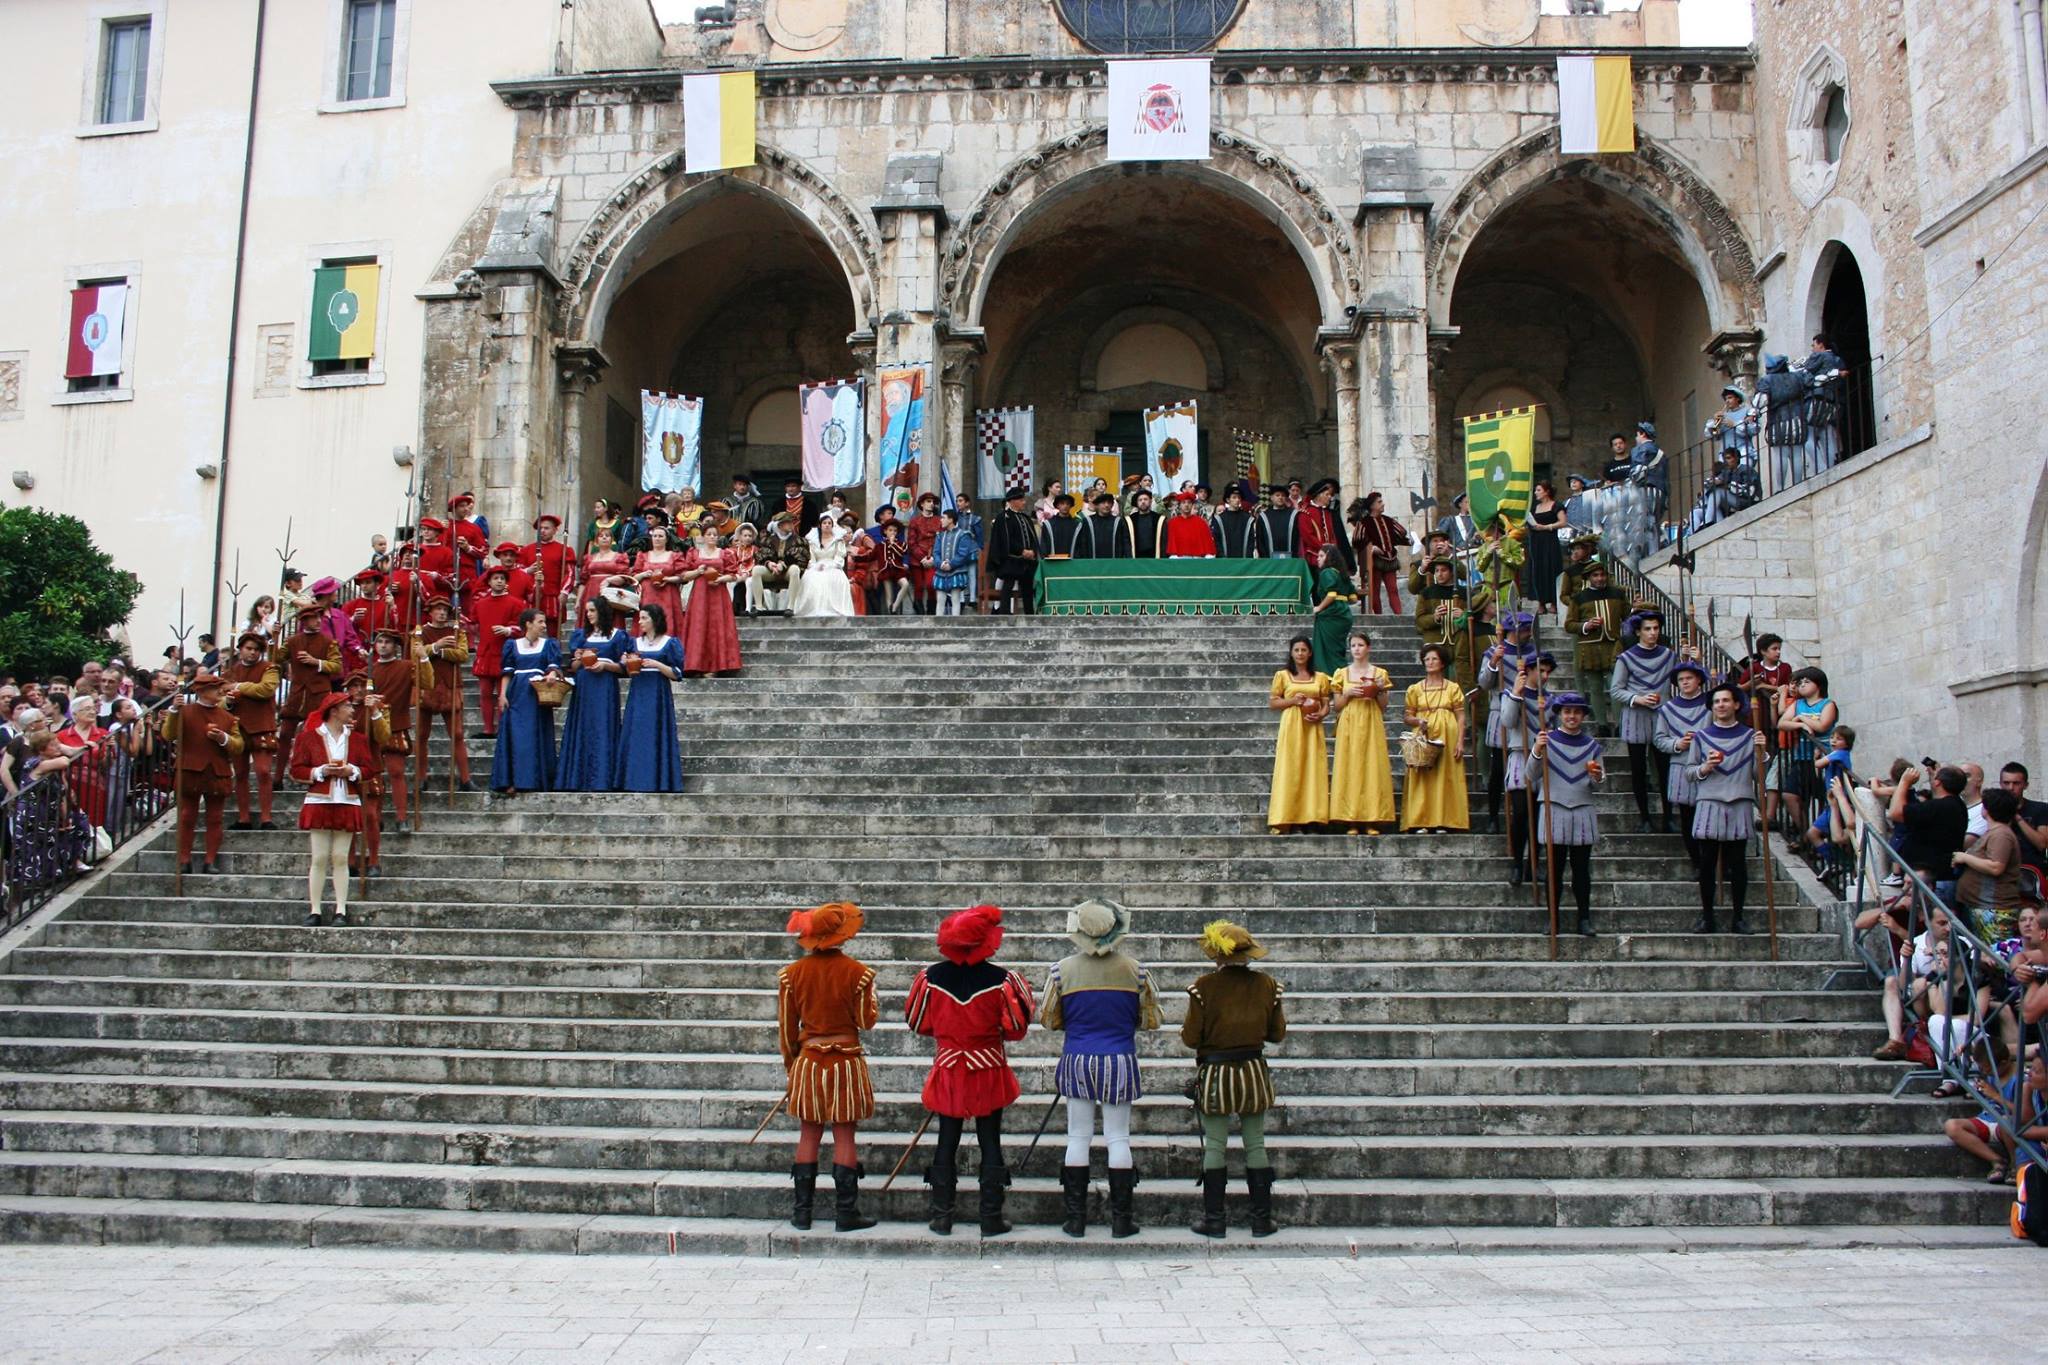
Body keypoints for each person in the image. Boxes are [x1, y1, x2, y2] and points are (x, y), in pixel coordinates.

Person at [904, 904, 1035, 1238]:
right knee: (990, 1138)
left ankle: (941, 1217)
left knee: (947, 1137)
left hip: (949, 1066)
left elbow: (918, 1023)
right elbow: (1018, 1028)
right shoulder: (1004, 980)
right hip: (988, 1065)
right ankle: (990, 1217)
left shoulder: (930, 978)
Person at [1042, 898, 1159, 1240]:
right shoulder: (1136, 971)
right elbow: (1151, 1019)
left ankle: (1075, 1220)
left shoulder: (1060, 970)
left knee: (1078, 1136)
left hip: (1078, 1057)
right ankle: (1121, 1221)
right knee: (1118, 1136)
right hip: (1119, 1057)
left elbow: (1049, 1019)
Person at [776, 902, 880, 1232]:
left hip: (808, 1061)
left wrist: (793, 1067)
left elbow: (786, 1030)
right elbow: (867, 1021)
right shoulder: (859, 973)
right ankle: (846, 1213)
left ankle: (802, 1213)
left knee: (809, 1132)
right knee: (844, 1134)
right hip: (846, 1060)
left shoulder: (791, 975)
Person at [1182, 919, 1287, 1239]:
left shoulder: (1203, 987)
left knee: (1215, 1145)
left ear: (1218, 956)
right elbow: (1277, 1033)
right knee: (1255, 1144)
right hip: (1253, 1073)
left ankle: (1215, 1220)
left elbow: (1190, 1038)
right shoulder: (1268, 985)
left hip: (1216, 1075)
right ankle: (1261, 1220)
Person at [1684, 683, 1766, 934]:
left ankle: (1738, 917)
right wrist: (1705, 768)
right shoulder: (1701, 737)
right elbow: (1688, 773)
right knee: (1707, 863)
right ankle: (1707, 916)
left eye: (1726, 701)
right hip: (1709, 801)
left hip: (1739, 801)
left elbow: (1757, 775)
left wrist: (1762, 753)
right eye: (1717, 701)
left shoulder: (1750, 736)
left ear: (1736, 705)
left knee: (1738, 864)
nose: (1721, 705)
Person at [287, 691, 372, 927]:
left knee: (341, 857)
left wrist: (351, 771)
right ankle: (315, 909)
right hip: (319, 800)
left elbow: (369, 769)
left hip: (346, 799)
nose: (353, 710)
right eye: (347, 706)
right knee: (320, 857)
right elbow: (296, 770)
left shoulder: (357, 739)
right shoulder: (309, 738)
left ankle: (340, 908)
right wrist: (321, 771)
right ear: (334, 710)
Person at [1534, 691, 1605, 936]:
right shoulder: (1547, 740)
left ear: (1583, 715)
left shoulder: (1592, 746)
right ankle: (1551, 918)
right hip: (1554, 806)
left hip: (1582, 808)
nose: (1572, 716)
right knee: (1553, 869)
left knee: (1581, 869)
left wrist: (1596, 777)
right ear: (1559, 715)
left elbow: (1598, 783)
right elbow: (1530, 775)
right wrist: (1535, 750)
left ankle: (1584, 918)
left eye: (1576, 712)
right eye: (1567, 712)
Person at [160, 673, 243, 878]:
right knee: (187, 816)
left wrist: (222, 738)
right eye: (215, 689)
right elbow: (168, 734)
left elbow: (239, 746)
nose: (220, 692)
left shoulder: (228, 717)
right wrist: (173, 711)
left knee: (215, 818)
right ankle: (184, 859)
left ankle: (210, 860)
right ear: (202, 691)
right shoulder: (184, 712)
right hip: (190, 769)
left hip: (217, 770)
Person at [1611, 607, 1678, 833]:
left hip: (1661, 717)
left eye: (1656, 628)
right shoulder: (1626, 658)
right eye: (1647, 629)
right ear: (1638, 632)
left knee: (1665, 769)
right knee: (1638, 770)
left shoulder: (1669, 656)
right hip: (1636, 716)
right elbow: (1616, 690)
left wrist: (1692, 660)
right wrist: (1637, 698)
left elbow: (1683, 680)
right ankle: (1644, 818)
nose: (1652, 633)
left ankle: (1669, 817)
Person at [558, 598, 628, 793]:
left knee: (603, 726)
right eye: (587, 611)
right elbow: (572, 667)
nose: (588, 614)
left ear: (602, 612)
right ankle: (578, 778)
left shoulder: (617, 636)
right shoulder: (581, 636)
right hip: (584, 685)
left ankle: (603, 778)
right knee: (583, 726)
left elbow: (624, 667)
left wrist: (605, 665)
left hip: (605, 685)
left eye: (592, 611)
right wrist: (579, 659)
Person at [490, 609, 562, 797]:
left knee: (533, 737)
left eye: (545, 622)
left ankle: (533, 779)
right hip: (517, 694)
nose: (544, 625)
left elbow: (553, 666)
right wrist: (502, 695)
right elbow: (507, 673)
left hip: (537, 695)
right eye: (540, 622)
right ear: (528, 624)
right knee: (516, 738)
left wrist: (552, 674)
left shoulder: (549, 645)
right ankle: (513, 779)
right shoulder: (512, 645)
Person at [1328, 631, 1394, 833]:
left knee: (1372, 767)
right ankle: (1351, 819)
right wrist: (1347, 693)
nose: (1357, 649)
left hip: (1371, 720)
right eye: (1354, 645)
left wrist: (1379, 690)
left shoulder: (1379, 673)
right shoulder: (1342, 673)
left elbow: (1383, 706)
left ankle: (1372, 818)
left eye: (1360, 645)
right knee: (1350, 767)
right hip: (1349, 722)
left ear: (1368, 648)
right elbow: (1337, 706)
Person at [1499, 650, 1555, 887]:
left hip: (1543, 759)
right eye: (1540, 671)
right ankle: (1517, 863)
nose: (1544, 676)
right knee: (1521, 813)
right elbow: (1508, 721)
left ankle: (1535, 862)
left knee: (1540, 815)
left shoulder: (1551, 699)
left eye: (1547, 672)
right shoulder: (1510, 694)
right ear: (1528, 670)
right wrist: (1516, 694)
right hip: (1521, 756)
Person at [1266, 636, 1331, 834]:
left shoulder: (1320, 677)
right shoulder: (1283, 675)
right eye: (1297, 650)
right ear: (1291, 653)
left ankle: (1311, 818)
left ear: (1310, 653)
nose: (1300, 654)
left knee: (1312, 769)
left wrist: (1321, 714)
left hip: (1312, 727)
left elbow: (1326, 704)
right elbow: (1273, 703)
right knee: (1290, 769)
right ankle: (1289, 817)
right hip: (1292, 726)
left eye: (1304, 650)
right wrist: (1293, 701)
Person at [1653, 661, 1713, 873]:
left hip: (1709, 767)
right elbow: (1659, 740)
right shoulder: (1667, 709)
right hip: (1681, 765)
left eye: (1689, 678)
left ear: (1699, 680)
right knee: (1688, 818)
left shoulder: (1711, 704)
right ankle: (1697, 862)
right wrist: (1678, 743)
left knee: (1710, 817)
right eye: (1681, 679)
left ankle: (1713, 862)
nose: (1685, 682)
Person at [1402, 642, 1468, 833]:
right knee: (1423, 776)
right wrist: (1418, 721)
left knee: (1446, 777)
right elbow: (1407, 716)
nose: (1429, 662)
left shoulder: (1452, 688)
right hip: (1423, 735)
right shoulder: (1415, 689)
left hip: (1449, 735)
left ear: (1442, 663)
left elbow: (1461, 716)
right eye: (1427, 659)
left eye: (1434, 659)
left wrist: (1460, 741)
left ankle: (1445, 820)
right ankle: (1422, 820)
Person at [617, 606, 684, 793]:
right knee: (637, 733)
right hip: (639, 692)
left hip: (657, 693)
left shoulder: (669, 643)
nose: (639, 622)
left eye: (644, 618)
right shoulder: (634, 643)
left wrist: (656, 664)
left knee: (656, 732)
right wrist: (625, 661)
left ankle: (657, 780)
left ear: (654, 620)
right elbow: (626, 669)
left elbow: (676, 673)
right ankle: (634, 779)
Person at [416, 596, 476, 793]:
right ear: (430, 612)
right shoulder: (420, 631)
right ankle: (421, 778)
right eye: (438, 609)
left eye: (444, 610)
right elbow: (415, 652)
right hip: (427, 685)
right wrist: (436, 646)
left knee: (457, 734)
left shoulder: (457, 630)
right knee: (422, 734)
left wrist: (440, 652)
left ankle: (465, 779)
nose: (442, 613)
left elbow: (463, 654)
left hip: (451, 684)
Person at [221, 632, 280, 831]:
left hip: (262, 724)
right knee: (240, 773)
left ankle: (266, 817)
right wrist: (227, 701)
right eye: (249, 648)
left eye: (256, 649)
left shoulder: (270, 668)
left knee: (263, 772)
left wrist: (238, 686)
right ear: (240, 649)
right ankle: (243, 817)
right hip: (238, 726)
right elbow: (219, 699)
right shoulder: (229, 671)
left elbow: (266, 689)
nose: (252, 653)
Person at [337, 671, 394, 877]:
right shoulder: (340, 710)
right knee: (349, 816)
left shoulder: (380, 708)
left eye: (362, 685)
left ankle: (374, 859)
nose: (358, 690)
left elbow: (384, 737)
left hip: (370, 766)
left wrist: (375, 713)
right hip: (346, 766)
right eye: (354, 686)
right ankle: (351, 860)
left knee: (370, 815)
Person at [1891, 764, 1970, 897]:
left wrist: (1904, 783)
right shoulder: (1957, 805)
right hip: (1943, 876)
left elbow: (1895, 813)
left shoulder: (1939, 806)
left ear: (1938, 782)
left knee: (1935, 917)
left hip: (1931, 881)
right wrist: (1935, 776)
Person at [1774, 666, 1837, 830]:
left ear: (1818, 684)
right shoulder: (1798, 703)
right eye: (1800, 682)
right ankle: (1805, 833)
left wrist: (1801, 718)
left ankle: (1822, 833)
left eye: (1807, 681)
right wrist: (1801, 723)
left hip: (1823, 759)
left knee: (1824, 798)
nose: (1802, 685)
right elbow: (1782, 723)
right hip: (1801, 757)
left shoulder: (1827, 704)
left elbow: (1823, 725)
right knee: (1789, 794)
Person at [276, 606, 340, 764]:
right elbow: (275, 659)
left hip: (319, 696)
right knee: (284, 734)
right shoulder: (292, 641)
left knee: (317, 734)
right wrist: (274, 637)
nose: (318, 620)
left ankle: (317, 769)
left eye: (319, 617)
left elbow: (337, 666)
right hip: (296, 695)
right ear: (304, 621)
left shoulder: (328, 642)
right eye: (314, 617)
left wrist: (316, 662)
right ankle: (277, 777)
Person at [1954, 790, 2025, 932]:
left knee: (1994, 952)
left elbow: (1996, 867)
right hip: (1982, 906)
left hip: (1994, 910)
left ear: (1987, 809)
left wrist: (1965, 857)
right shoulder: (1994, 832)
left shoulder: (2001, 834)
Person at [366, 628, 415, 834]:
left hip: (396, 723)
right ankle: (375, 817)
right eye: (380, 642)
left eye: (387, 642)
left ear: (395, 645)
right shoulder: (369, 669)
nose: (383, 645)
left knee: (396, 772)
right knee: (374, 775)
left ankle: (401, 816)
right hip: (373, 726)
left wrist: (421, 657)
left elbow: (425, 681)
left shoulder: (406, 666)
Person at [470, 567, 527, 739]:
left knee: (504, 692)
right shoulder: (480, 604)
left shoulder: (516, 603)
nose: (499, 581)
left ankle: (503, 728)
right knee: (485, 692)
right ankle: (488, 729)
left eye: (502, 578)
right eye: (496, 578)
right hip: (485, 652)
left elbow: (524, 628)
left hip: (505, 652)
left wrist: (508, 630)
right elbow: (473, 624)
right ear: (489, 582)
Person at [1566, 561, 1622, 735]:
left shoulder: (1618, 594)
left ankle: (1620, 725)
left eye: (1602, 575)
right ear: (1589, 578)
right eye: (1595, 575)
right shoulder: (1579, 598)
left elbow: (1628, 616)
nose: (1600, 578)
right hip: (1589, 648)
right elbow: (1569, 625)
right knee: (1595, 687)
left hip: (1613, 646)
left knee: (1616, 687)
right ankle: (1602, 725)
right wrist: (1585, 626)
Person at [679, 525, 743, 675]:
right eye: (709, 534)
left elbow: (733, 574)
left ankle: (717, 666)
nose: (712, 537)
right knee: (699, 625)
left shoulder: (725, 553)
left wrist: (721, 579)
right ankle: (696, 664)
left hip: (718, 593)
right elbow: (684, 575)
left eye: (715, 534)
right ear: (703, 536)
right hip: (700, 593)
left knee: (717, 626)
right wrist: (698, 571)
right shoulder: (694, 553)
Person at [1348, 492, 1406, 613]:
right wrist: (1371, 548)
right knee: (1375, 591)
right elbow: (1356, 541)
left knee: (1393, 590)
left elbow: (1401, 532)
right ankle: (1378, 617)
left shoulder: (1388, 520)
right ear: (1372, 506)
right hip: (1374, 562)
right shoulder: (1364, 523)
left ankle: (1399, 616)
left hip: (1391, 559)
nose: (1383, 504)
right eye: (1379, 502)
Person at [521, 514, 577, 636]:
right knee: (530, 630)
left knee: (553, 632)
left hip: (553, 595)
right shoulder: (526, 550)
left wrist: (565, 591)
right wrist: (528, 570)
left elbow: (570, 572)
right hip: (532, 595)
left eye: (546, 528)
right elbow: (518, 572)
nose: (542, 531)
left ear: (555, 530)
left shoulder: (564, 550)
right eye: (540, 528)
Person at [986, 487, 1039, 615]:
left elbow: (1033, 538)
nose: (1024, 502)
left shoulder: (1026, 518)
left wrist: (1032, 551)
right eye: (1021, 500)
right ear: (1012, 501)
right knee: (1008, 586)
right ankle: (1004, 613)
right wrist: (1022, 551)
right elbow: (1005, 539)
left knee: (1028, 589)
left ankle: (1029, 615)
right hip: (1011, 559)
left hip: (1027, 561)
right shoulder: (1003, 517)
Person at [1309, 548, 1358, 674]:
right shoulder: (1342, 574)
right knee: (1338, 650)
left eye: (1321, 556)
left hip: (1332, 615)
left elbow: (1331, 594)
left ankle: (1333, 677)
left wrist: (1318, 608)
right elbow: (1353, 598)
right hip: (1344, 614)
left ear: (1329, 557)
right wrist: (1341, 601)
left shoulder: (1327, 573)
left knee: (1328, 651)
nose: (1317, 558)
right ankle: (1342, 675)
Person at [748, 512, 808, 616]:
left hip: (787, 572)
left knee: (795, 569)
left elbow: (801, 556)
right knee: (756, 570)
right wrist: (769, 563)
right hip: (773, 571)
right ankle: (759, 607)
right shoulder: (769, 540)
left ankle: (791, 607)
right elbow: (761, 555)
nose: (791, 525)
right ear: (780, 525)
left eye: (791, 522)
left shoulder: (798, 540)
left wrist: (783, 565)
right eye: (787, 523)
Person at [577, 524, 635, 627]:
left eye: (607, 536)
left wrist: (610, 580)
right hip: (590, 592)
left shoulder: (619, 557)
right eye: (601, 535)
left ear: (612, 540)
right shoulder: (589, 558)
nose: (604, 537)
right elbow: (583, 581)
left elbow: (625, 578)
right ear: (596, 541)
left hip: (611, 594)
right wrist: (578, 601)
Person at [1523, 481, 1565, 614]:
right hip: (1536, 543)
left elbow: (1563, 522)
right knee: (1538, 571)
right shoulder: (1535, 508)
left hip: (1550, 541)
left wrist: (1547, 527)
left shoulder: (1556, 505)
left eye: (1538, 490)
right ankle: (1540, 602)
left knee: (1551, 569)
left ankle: (1553, 602)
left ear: (1546, 491)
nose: (1536, 493)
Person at [1298, 479, 1353, 573]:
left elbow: (1332, 535)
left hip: (1329, 555)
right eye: (1327, 494)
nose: (1330, 498)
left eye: (1330, 495)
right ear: (1319, 496)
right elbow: (1308, 536)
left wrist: (1332, 548)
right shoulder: (1305, 513)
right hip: (1314, 556)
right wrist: (1324, 547)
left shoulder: (1327, 513)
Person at [931, 508, 978, 617]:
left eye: (943, 518)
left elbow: (963, 554)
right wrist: (940, 564)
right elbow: (936, 552)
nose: (941, 520)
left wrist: (951, 564)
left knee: (956, 599)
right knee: (940, 599)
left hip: (957, 571)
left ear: (951, 520)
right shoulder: (940, 535)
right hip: (941, 572)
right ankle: (938, 626)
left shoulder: (963, 534)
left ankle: (955, 624)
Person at [906, 491, 945, 614]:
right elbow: (911, 542)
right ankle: (919, 609)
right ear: (921, 504)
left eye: (933, 502)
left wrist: (933, 557)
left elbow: (942, 540)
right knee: (918, 585)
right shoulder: (915, 521)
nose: (931, 504)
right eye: (928, 501)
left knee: (930, 584)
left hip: (933, 557)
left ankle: (931, 609)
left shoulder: (939, 521)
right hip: (917, 559)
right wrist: (922, 558)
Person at [1209, 482, 1263, 559]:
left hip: (1244, 560)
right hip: (1224, 561)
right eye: (1234, 497)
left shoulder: (1248, 519)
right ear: (1228, 500)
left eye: (1239, 498)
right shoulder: (1220, 519)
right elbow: (1217, 541)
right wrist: (1221, 556)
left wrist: (1247, 557)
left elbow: (1251, 541)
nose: (1237, 500)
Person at [1163, 491, 1217, 557]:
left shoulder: (1201, 522)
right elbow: (1170, 543)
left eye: (1189, 502)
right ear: (1179, 505)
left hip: (1197, 560)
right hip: (1179, 560)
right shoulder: (1172, 523)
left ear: (1192, 505)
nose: (1186, 505)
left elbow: (1208, 545)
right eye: (1183, 502)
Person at [1074, 491, 1125, 559]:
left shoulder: (1118, 522)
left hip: (1114, 564)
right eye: (1103, 503)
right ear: (1097, 505)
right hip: (1092, 564)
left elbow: (1124, 544)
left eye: (1109, 503)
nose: (1106, 505)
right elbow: (1083, 545)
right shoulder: (1088, 522)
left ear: (1112, 505)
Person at [1255, 484, 1300, 560]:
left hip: (1290, 560)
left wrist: (1295, 556)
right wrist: (1265, 557)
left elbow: (1297, 538)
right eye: (1277, 495)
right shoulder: (1264, 516)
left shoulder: (1294, 514)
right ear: (1271, 498)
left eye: (1283, 495)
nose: (1280, 497)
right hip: (1269, 560)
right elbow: (1260, 540)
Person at [1118, 489, 1165, 559]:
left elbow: (1164, 541)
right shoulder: (1129, 520)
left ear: (1150, 501)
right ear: (1137, 503)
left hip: (1155, 558)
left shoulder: (1159, 519)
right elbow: (1126, 541)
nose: (1143, 502)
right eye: (1140, 500)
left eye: (1145, 499)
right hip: (1135, 559)